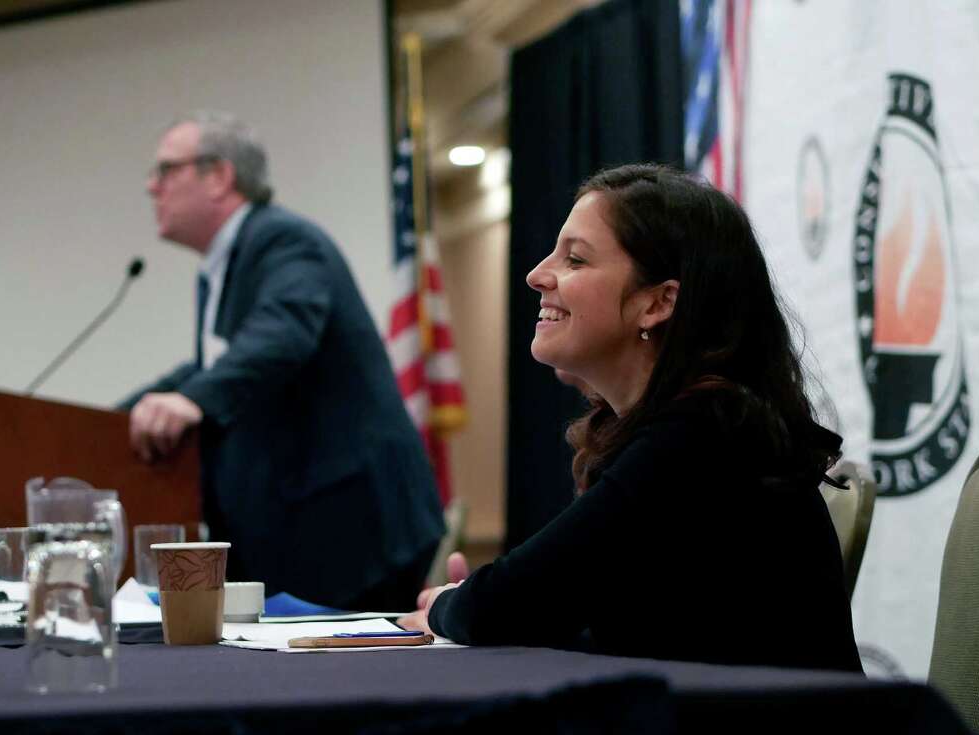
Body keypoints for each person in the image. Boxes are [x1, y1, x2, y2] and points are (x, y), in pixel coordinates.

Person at [400, 164, 862, 672]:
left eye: (575, 259)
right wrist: (473, 604)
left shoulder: (702, 438)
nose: (536, 275)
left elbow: (504, 605)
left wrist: (448, 604)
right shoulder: (694, 427)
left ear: (658, 302)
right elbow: (606, 625)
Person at [121, 110, 444, 610]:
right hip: (308, 536)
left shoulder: (282, 239)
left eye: (166, 170)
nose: (151, 186)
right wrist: (120, 414)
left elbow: (284, 331)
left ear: (219, 176)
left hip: (352, 533)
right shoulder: (224, 265)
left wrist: (192, 400)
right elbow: (215, 364)